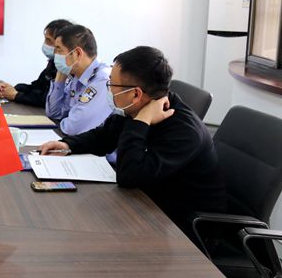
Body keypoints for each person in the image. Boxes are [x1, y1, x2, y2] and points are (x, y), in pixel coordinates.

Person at [39, 46, 226, 239]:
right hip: (148, 204)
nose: (108, 89)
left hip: (186, 229)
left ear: (136, 94)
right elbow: (104, 136)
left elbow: (129, 175)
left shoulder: (184, 132)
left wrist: (141, 121)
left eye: (112, 84)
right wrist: (69, 145)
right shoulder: (138, 105)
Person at [44, 24, 112, 135]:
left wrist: (66, 121)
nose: (55, 54)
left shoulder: (102, 80)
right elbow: (54, 113)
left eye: (59, 50)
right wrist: (61, 74)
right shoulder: (77, 76)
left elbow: (73, 128)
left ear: (77, 53)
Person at [0, 19, 73, 106]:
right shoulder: (53, 63)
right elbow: (37, 87)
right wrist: (11, 89)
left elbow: (47, 99)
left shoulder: (67, 68)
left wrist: (16, 95)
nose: (45, 43)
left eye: (48, 40)